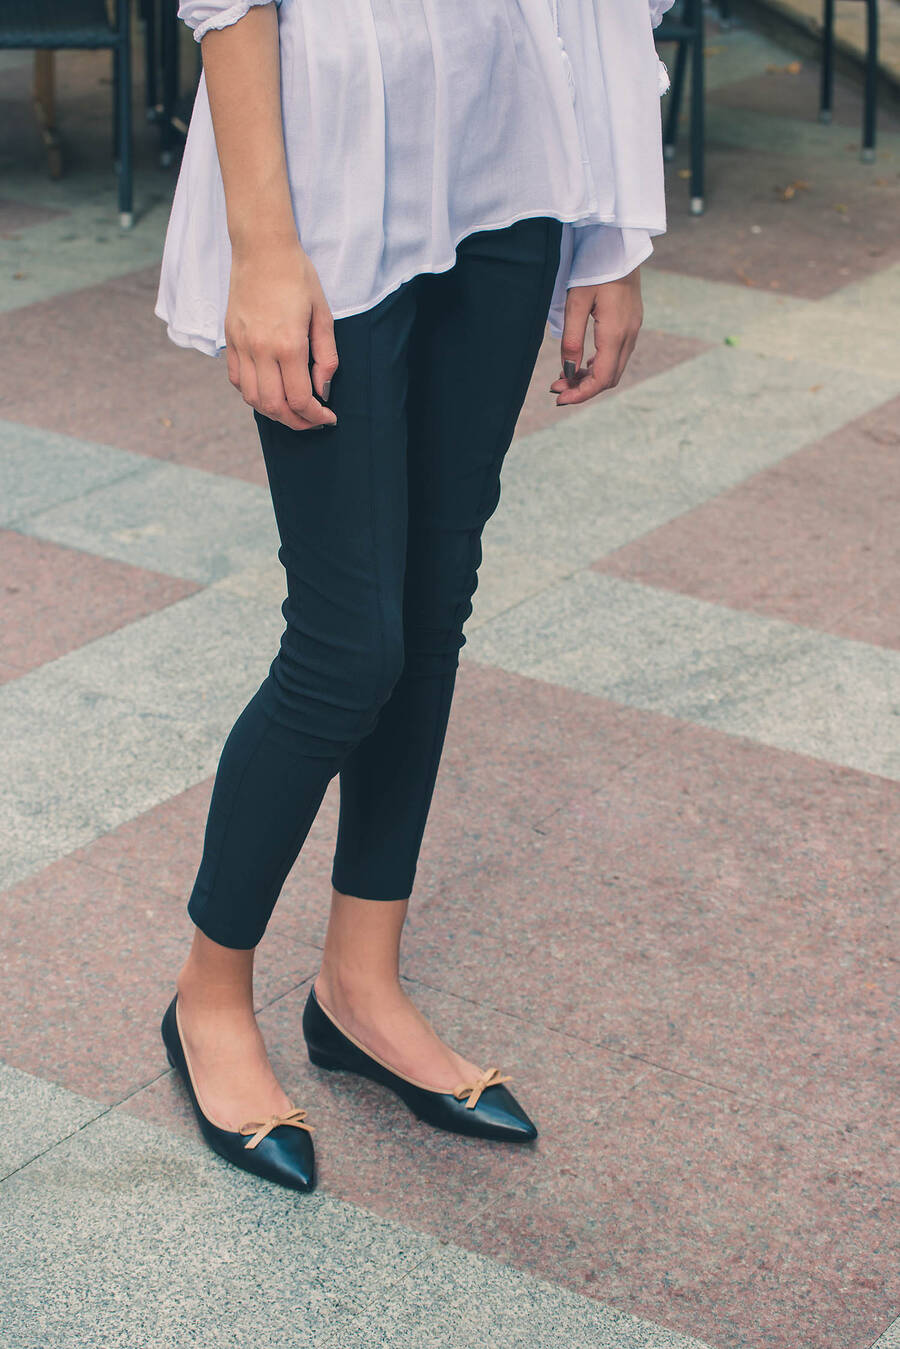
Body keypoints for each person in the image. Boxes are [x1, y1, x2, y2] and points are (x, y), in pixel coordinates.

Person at [155, 0, 674, 1193]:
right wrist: (264, 246)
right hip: (330, 164)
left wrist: (611, 241)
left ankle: (360, 982)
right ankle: (209, 993)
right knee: (348, 644)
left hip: (520, 151)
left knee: (435, 601)